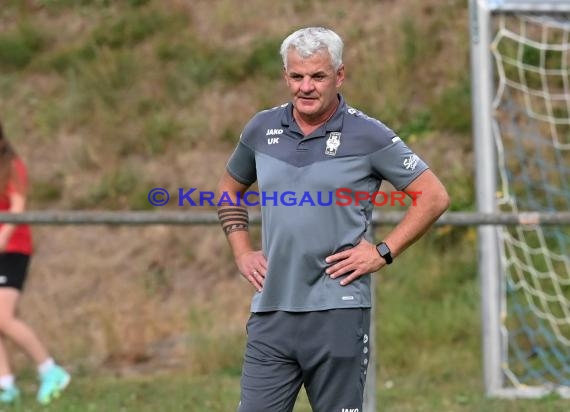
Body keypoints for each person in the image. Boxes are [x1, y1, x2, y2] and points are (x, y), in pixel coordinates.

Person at [217, 27, 450, 412]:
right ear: (286, 76)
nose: (306, 86)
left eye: (318, 76)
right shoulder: (261, 129)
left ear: (339, 75)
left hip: (337, 311)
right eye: (297, 76)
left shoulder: (369, 135)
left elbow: (434, 196)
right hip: (271, 311)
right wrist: (242, 251)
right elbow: (228, 189)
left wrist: (383, 252)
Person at [0, 120, 70, 405]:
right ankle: (6, 385)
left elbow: (17, 208)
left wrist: (2, 240)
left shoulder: (11, 165)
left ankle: (50, 370)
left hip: (13, 250)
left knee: (3, 317)